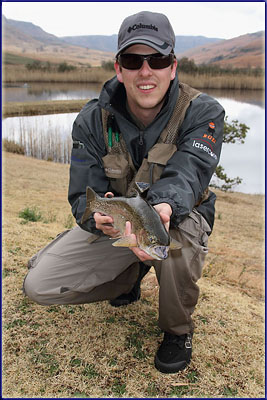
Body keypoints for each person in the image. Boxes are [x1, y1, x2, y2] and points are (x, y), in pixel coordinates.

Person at [23, 11, 225, 374]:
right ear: (119, 69)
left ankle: (177, 332)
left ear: (173, 66)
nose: (145, 72)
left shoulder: (203, 112)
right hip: (120, 224)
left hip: (175, 218)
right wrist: (95, 217)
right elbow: (83, 196)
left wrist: (165, 205)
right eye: (133, 60)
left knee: (175, 242)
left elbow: (190, 170)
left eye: (157, 59)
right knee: (39, 286)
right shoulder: (91, 119)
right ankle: (131, 274)